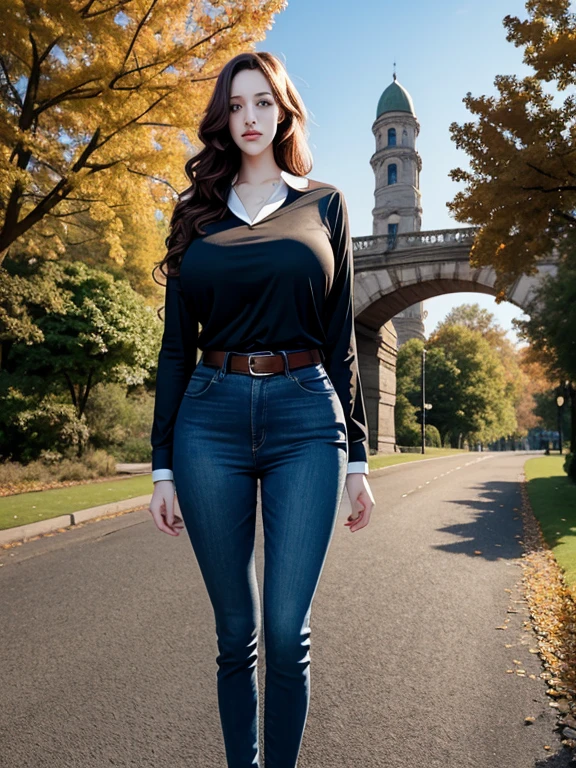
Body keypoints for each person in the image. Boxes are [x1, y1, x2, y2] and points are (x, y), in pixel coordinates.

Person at [148, 51, 375, 768]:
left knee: (285, 631)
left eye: (263, 104)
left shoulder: (326, 205)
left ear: (285, 113)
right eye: (237, 105)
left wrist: (358, 458)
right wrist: (161, 467)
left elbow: (343, 342)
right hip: (208, 420)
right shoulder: (194, 216)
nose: (250, 118)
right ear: (224, 117)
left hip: (307, 417)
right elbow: (175, 350)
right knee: (234, 632)